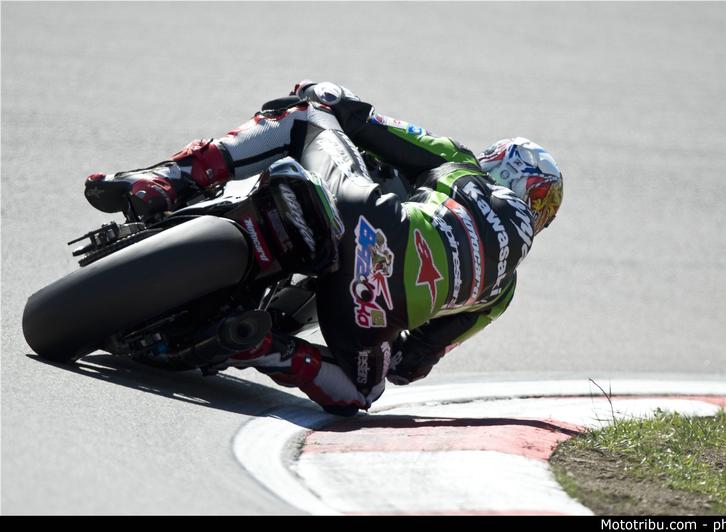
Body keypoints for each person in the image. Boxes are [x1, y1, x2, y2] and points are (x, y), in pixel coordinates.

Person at [84, 80, 564, 416]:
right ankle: (261, 346)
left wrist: (321, 92)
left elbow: (359, 118)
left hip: (366, 217)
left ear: (495, 162)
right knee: (364, 390)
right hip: (369, 306)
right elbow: (407, 366)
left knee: (307, 114)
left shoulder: (460, 164)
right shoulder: (502, 294)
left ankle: (166, 181)